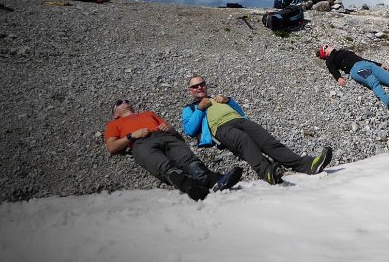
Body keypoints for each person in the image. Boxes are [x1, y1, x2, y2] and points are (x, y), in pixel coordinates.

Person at [182, 76, 332, 185]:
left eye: (202, 84)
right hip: (221, 128)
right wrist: (200, 109)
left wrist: (228, 100)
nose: (199, 87)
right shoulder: (190, 109)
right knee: (243, 140)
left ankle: (307, 165)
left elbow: (239, 111)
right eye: (195, 86)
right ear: (190, 91)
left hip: (240, 120)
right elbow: (189, 130)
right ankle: (267, 172)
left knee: (268, 141)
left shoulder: (217, 98)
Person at [104, 99, 242, 201]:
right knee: (163, 166)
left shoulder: (148, 114)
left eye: (127, 101)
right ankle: (190, 186)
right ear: (115, 114)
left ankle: (214, 180)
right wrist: (132, 135)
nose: (125, 102)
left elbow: (176, 134)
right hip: (140, 142)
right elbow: (111, 146)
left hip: (165, 136)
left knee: (187, 159)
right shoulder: (114, 124)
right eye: (120, 102)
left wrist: (170, 129)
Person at [316, 44, 389, 115]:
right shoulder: (329, 59)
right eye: (325, 47)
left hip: (367, 64)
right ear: (324, 53)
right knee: (374, 82)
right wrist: (338, 78)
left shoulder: (343, 51)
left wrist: (379, 64)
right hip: (356, 70)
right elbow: (332, 69)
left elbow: (361, 58)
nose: (328, 45)